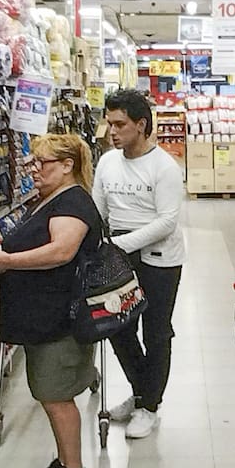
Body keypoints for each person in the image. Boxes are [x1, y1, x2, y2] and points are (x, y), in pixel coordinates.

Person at [0, 134, 103, 468]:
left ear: (67, 166)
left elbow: (62, 252)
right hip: (43, 317)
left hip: (60, 320)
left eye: (42, 163)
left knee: (57, 396)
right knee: (48, 393)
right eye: (32, 162)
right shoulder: (52, 199)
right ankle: (64, 464)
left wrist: (8, 262)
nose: (34, 169)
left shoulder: (74, 203)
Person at [92, 88, 186, 439]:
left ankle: (149, 406)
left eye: (120, 124)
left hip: (160, 258)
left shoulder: (164, 167)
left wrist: (118, 244)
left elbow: (166, 222)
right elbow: (98, 209)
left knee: (156, 331)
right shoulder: (107, 162)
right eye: (109, 124)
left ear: (141, 125)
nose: (112, 131)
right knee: (117, 325)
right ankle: (141, 391)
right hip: (117, 254)